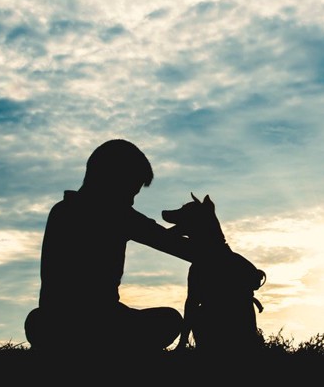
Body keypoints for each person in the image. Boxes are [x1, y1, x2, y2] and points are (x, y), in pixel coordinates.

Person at [24, 139, 196, 355]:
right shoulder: (116, 215)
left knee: (37, 320)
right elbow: (178, 247)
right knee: (169, 319)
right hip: (103, 322)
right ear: (113, 182)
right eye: (130, 193)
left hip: (55, 325)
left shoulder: (61, 211)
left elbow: (160, 237)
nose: (132, 202)